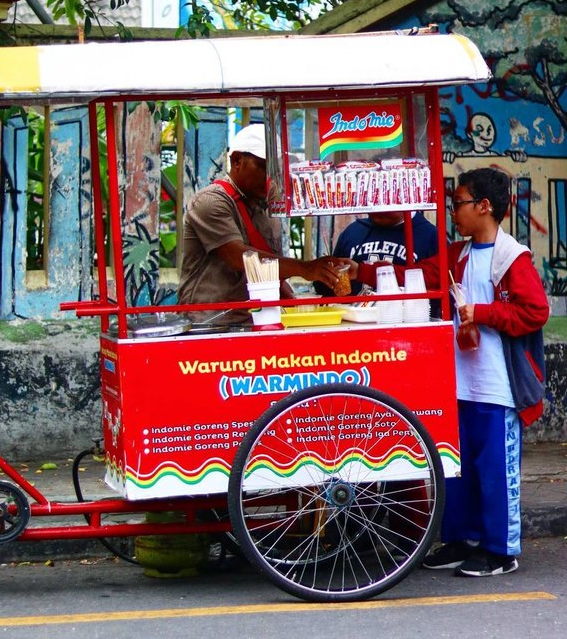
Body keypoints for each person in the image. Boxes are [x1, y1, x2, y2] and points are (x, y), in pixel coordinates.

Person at [352, 167, 549, 577]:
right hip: (460, 380)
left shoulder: (512, 258)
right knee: (457, 467)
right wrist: (360, 274)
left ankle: (500, 550)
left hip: (497, 384)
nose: (453, 211)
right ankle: (460, 539)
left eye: (458, 203)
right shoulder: (458, 254)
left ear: (484, 206)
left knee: (495, 470)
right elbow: (417, 275)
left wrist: (483, 313)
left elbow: (535, 311)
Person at [178, 124, 351, 323]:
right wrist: (305, 269)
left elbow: (271, 269)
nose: (269, 176)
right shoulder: (210, 202)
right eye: (262, 167)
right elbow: (240, 257)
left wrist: (294, 304)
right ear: (237, 161)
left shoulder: (266, 205)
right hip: (210, 323)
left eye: (273, 169)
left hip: (255, 319)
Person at [314, 210, 439, 297]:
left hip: (404, 327)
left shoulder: (430, 236)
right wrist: (324, 277)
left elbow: (435, 288)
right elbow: (334, 289)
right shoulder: (353, 231)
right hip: (355, 324)